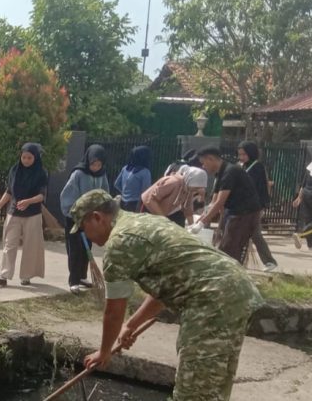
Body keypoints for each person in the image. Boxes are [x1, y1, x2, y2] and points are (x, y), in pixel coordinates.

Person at [71, 189, 263, 400]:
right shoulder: (145, 222)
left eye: (83, 228)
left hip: (211, 299)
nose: (86, 236)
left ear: (97, 217)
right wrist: (132, 325)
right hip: (236, 289)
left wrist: (104, 351)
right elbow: (165, 289)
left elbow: (114, 312)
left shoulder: (119, 244)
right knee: (213, 388)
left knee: (193, 392)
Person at [0, 143, 48, 287]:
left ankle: (26, 276)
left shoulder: (41, 173)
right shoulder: (14, 170)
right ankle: (4, 275)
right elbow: (9, 192)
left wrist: (29, 201)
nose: (26, 160)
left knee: (30, 246)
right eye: (24, 157)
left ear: (36, 158)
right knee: (9, 243)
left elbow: (42, 196)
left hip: (33, 214)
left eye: (29, 158)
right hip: (14, 212)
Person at [195, 147, 264, 263]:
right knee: (227, 247)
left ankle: (231, 276)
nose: (203, 167)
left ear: (210, 159)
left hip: (245, 213)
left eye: (203, 163)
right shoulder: (220, 173)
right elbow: (213, 202)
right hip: (235, 212)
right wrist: (200, 220)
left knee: (228, 249)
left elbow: (219, 203)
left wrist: (202, 223)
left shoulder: (230, 172)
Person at [60, 144, 110, 293]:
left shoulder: (102, 175)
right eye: (93, 164)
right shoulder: (78, 174)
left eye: (99, 164)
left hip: (91, 220)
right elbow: (67, 196)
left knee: (86, 248)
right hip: (75, 218)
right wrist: (76, 214)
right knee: (75, 249)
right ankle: (73, 280)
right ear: (88, 161)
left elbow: (104, 194)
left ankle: (82, 276)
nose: (95, 167)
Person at [237, 141, 278, 271]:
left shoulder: (257, 167)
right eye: (240, 154)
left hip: (254, 208)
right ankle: (239, 261)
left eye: (244, 154)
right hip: (241, 207)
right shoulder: (242, 166)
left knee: (255, 235)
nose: (241, 157)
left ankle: (269, 262)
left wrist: (261, 207)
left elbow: (260, 189)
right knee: (239, 234)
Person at [142, 165, 208, 227]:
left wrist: (192, 226)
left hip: (162, 212)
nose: (196, 190)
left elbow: (188, 208)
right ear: (191, 180)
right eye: (196, 187)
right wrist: (163, 220)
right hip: (147, 207)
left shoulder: (188, 189)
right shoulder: (173, 182)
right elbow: (151, 199)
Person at [114, 146, 152, 212]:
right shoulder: (145, 172)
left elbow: (116, 184)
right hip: (136, 204)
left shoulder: (125, 168)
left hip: (122, 203)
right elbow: (146, 192)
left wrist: (125, 194)